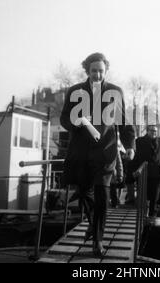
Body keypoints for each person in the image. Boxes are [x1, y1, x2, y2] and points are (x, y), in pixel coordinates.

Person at [60, 52, 135, 256]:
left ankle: (98, 241)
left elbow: (124, 122)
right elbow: (64, 118)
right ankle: (93, 224)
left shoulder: (115, 92)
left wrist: (130, 145)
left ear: (106, 70)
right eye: (94, 71)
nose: (97, 75)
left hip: (105, 152)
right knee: (84, 192)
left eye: (101, 71)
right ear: (87, 70)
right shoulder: (75, 91)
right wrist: (78, 121)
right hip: (81, 152)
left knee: (102, 196)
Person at [131, 125, 160, 217]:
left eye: (156, 131)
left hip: (157, 174)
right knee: (143, 196)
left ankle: (152, 216)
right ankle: (142, 215)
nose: (154, 132)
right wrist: (133, 170)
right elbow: (135, 158)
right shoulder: (139, 141)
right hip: (144, 173)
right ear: (147, 131)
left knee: (155, 197)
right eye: (152, 130)